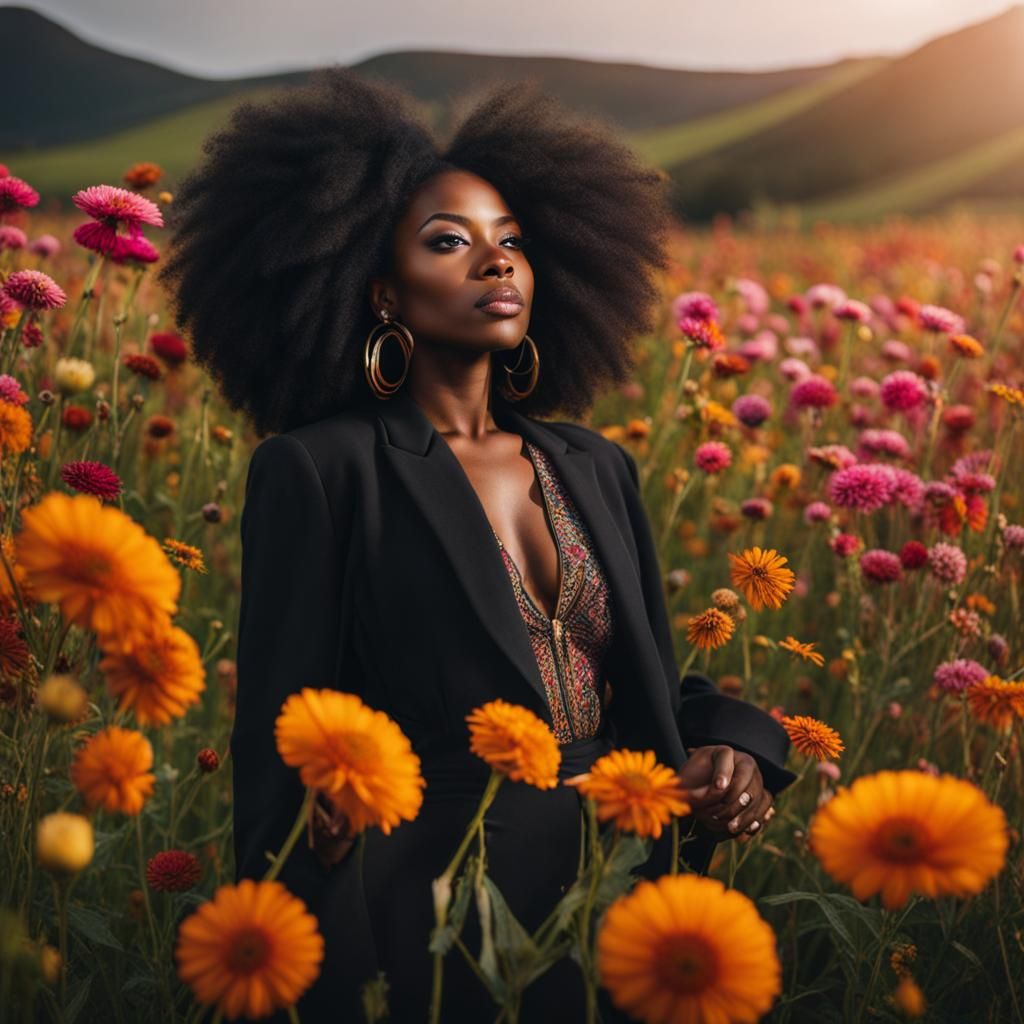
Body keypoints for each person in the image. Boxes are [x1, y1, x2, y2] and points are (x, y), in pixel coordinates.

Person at [159, 67, 796, 1022]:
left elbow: (647, 692)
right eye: (450, 242)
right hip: (431, 910)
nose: (496, 264)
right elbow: (279, 746)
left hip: (619, 889)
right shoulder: (322, 471)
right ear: (379, 291)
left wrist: (740, 745)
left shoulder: (593, 466)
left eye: (513, 243)